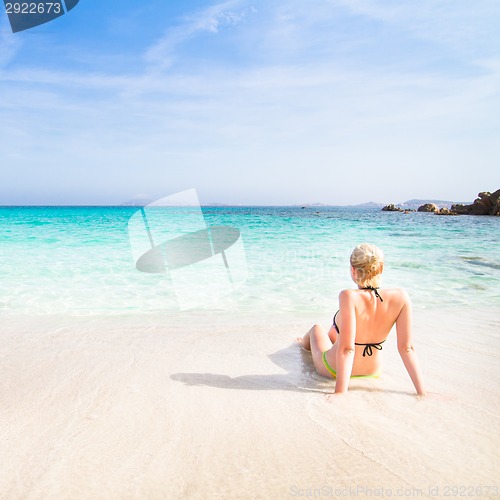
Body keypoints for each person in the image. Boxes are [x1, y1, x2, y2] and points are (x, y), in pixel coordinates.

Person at [298, 243, 426, 396]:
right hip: (373, 371)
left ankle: (301, 344)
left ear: (353, 271)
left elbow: (347, 349)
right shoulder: (401, 296)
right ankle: (331, 337)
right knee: (334, 332)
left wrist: (339, 393)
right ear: (381, 268)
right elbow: (407, 348)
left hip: (334, 370)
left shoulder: (348, 296)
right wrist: (422, 392)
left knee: (316, 329)